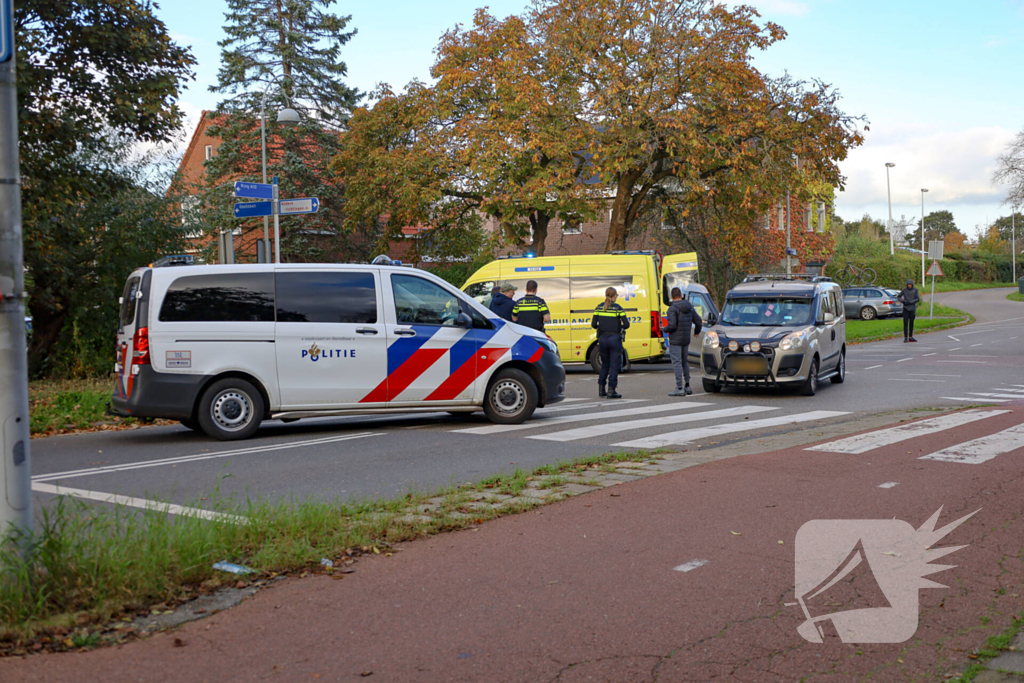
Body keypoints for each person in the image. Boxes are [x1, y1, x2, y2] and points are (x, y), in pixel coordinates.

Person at [591, 287, 630, 399]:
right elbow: (626, 325)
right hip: (614, 339)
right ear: (614, 296)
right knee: (614, 365)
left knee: (604, 364)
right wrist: (618, 327)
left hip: (602, 339)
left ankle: (601, 389)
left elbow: (594, 324)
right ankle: (611, 390)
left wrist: (603, 327)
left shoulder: (599, 307)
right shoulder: (618, 308)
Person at [663, 287, 702, 396]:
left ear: (672, 297)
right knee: (685, 362)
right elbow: (698, 321)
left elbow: (672, 325)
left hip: (675, 339)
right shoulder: (689, 307)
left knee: (677, 363)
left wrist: (664, 329)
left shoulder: (672, 309)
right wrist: (697, 332)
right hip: (685, 339)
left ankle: (679, 387)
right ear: (681, 295)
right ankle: (687, 386)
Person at [897, 279, 920, 343]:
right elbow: (898, 297)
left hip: (912, 308)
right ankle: (906, 337)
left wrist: (911, 302)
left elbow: (917, 299)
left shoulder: (915, 290)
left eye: (910, 285)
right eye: (908, 285)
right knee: (905, 323)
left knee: (911, 323)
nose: (909, 286)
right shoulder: (904, 290)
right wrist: (903, 301)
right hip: (906, 308)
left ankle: (910, 336)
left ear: (912, 285)